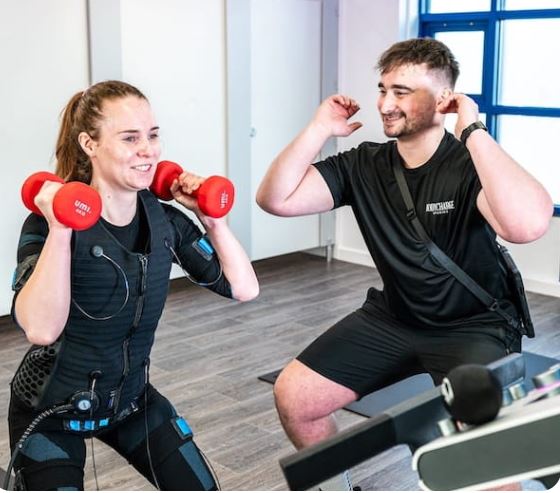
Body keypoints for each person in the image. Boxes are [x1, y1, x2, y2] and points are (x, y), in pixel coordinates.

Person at [256, 38, 553, 490]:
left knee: (486, 457)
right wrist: (319, 128)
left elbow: (526, 225)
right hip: (394, 318)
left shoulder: (470, 164)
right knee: (295, 396)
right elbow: (275, 199)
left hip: (474, 327)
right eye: (383, 89)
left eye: (402, 92)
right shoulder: (364, 164)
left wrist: (472, 129)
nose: (385, 104)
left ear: (443, 100)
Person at [8, 80, 259, 491]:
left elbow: (244, 288)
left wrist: (213, 222)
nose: (148, 150)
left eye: (153, 135)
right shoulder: (45, 224)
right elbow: (40, 329)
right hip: (51, 412)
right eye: (130, 138)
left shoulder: (164, 221)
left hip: (130, 402)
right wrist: (60, 228)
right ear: (89, 144)